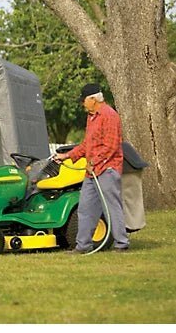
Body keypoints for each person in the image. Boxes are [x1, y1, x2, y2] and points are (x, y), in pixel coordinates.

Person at [54, 83, 129, 254]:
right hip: (92, 172)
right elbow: (86, 144)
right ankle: (83, 246)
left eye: (84, 100)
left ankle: (122, 243)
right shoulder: (91, 117)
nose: (82, 104)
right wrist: (67, 156)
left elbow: (111, 146)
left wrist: (93, 162)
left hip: (107, 169)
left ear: (93, 99)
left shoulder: (109, 116)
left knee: (112, 207)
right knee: (85, 208)